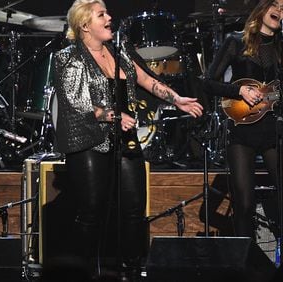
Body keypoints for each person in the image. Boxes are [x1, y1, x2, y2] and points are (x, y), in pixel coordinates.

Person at [52, 0, 203, 278]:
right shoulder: (68, 57)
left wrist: (177, 99)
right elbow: (75, 102)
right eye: (102, 14)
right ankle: (81, 271)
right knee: (92, 210)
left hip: (125, 138)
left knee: (134, 207)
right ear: (85, 25)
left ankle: (133, 269)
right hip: (88, 139)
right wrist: (111, 115)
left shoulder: (119, 50)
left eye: (107, 12)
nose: (110, 17)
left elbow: (146, 80)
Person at [201, 0, 283, 257]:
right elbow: (208, 82)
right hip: (242, 130)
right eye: (274, 4)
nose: (279, 11)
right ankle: (247, 264)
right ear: (262, 8)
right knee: (244, 203)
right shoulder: (236, 41)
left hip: (275, 129)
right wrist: (238, 89)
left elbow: (281, 94)